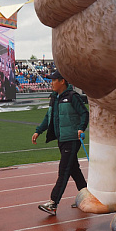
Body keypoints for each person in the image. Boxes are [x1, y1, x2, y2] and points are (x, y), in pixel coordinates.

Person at [32, 70, 89, 215]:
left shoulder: (72, 97)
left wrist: (81, 128)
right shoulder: (54, 98)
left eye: (53, 80)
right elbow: (48, 117)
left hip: (72, 139)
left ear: (62, 81)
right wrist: (39, 131)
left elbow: (84, 113)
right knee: (73, 169)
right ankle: (86, 198)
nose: (51, 83)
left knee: (63, 171)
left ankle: (53, 203)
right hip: (61, 139)